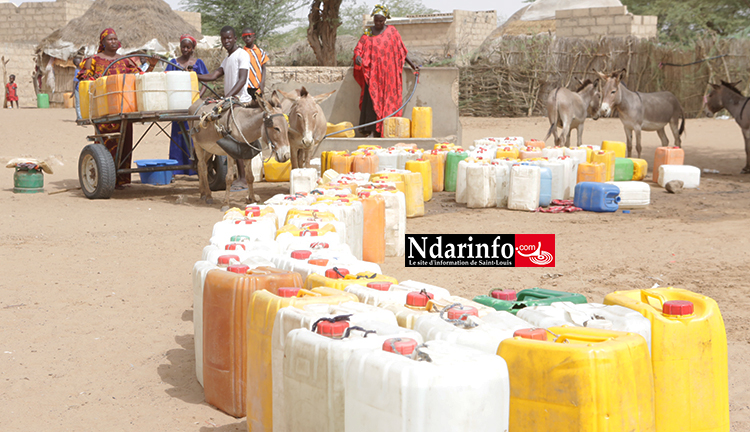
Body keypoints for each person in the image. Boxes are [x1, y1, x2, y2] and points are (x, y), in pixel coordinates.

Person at [78, 28, 158, 189]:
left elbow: (139, 78)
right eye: (110, 39)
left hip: (124, 108)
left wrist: (152, 66)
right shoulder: (93, 60)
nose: (114, 41)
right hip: (104, 108)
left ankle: (120, 180)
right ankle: (106, 179)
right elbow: (86, 80)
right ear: (102, 42)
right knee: (106, 143)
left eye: (115, 39)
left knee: (125, 144)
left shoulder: (125, 60)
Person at [197, 25, 252, 192]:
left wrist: (227, 98)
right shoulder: (227, 59)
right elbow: (214, 76)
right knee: (230, 138)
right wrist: (194, 75)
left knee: (236, 140)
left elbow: (242, 80)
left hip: (240, 101)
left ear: (235, 39)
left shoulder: (242, 55)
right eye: (223, 39)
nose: (226, 41)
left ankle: (242, 178)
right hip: (230, 102)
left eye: (229, 38)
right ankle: (238, 176)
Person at [353, 4, 419, 137]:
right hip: (372, 75)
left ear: (385, 20)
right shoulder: (368, 33)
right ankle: (371, 130)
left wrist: (412, 65)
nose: (378, 23)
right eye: (376, 20)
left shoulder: (392, 32)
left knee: (388, 102)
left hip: (389, 76)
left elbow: (402, 51)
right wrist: (358, 57)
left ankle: (384, 130)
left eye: (381, 21)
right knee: (371, 101)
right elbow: (358, 48)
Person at [166, 34, 208, 176]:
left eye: (188, 47)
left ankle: (193, 168)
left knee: (193, 135)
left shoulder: (198, 63)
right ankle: (177, 169)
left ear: (192, 48)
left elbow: (206, 82)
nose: (185, 49)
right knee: (178, 135)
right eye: (183, 47)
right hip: (177, 105)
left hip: (193, 106)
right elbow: (166, 80)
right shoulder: (173, 63)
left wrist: (198, 97)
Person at [241, 27, 268, 99]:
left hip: (258, 86)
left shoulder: (260, 52)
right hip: (245, 86)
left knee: (258, 106)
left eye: (249, 36)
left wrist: (262, 83)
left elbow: (264, 68)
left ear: (254, 37)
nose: (247, 38)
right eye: (245, 37)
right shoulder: (241, 52)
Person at [71, 55, 83, 119]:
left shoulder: (82, 70)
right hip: (77, 89)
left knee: (82, 103)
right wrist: (73, 92)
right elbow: (75, 82)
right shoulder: (77, 71)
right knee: (78, 104)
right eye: (79, 61)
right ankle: (79, 117)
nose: (81, 62)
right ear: (76, 63)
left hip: (82, 89)